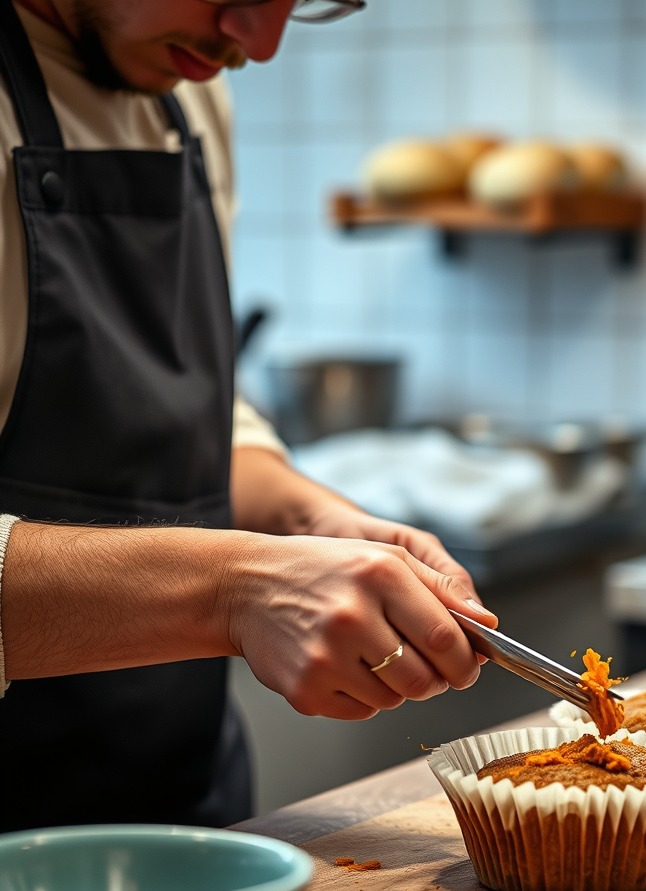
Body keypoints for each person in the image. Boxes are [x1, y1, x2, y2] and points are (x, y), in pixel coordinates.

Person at [0, 0, 497, 833]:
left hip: (183, 802)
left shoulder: (185, 82)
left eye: (298, 2)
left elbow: (182, 407)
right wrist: (234, 592)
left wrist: (311, 520)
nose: (258, 44)